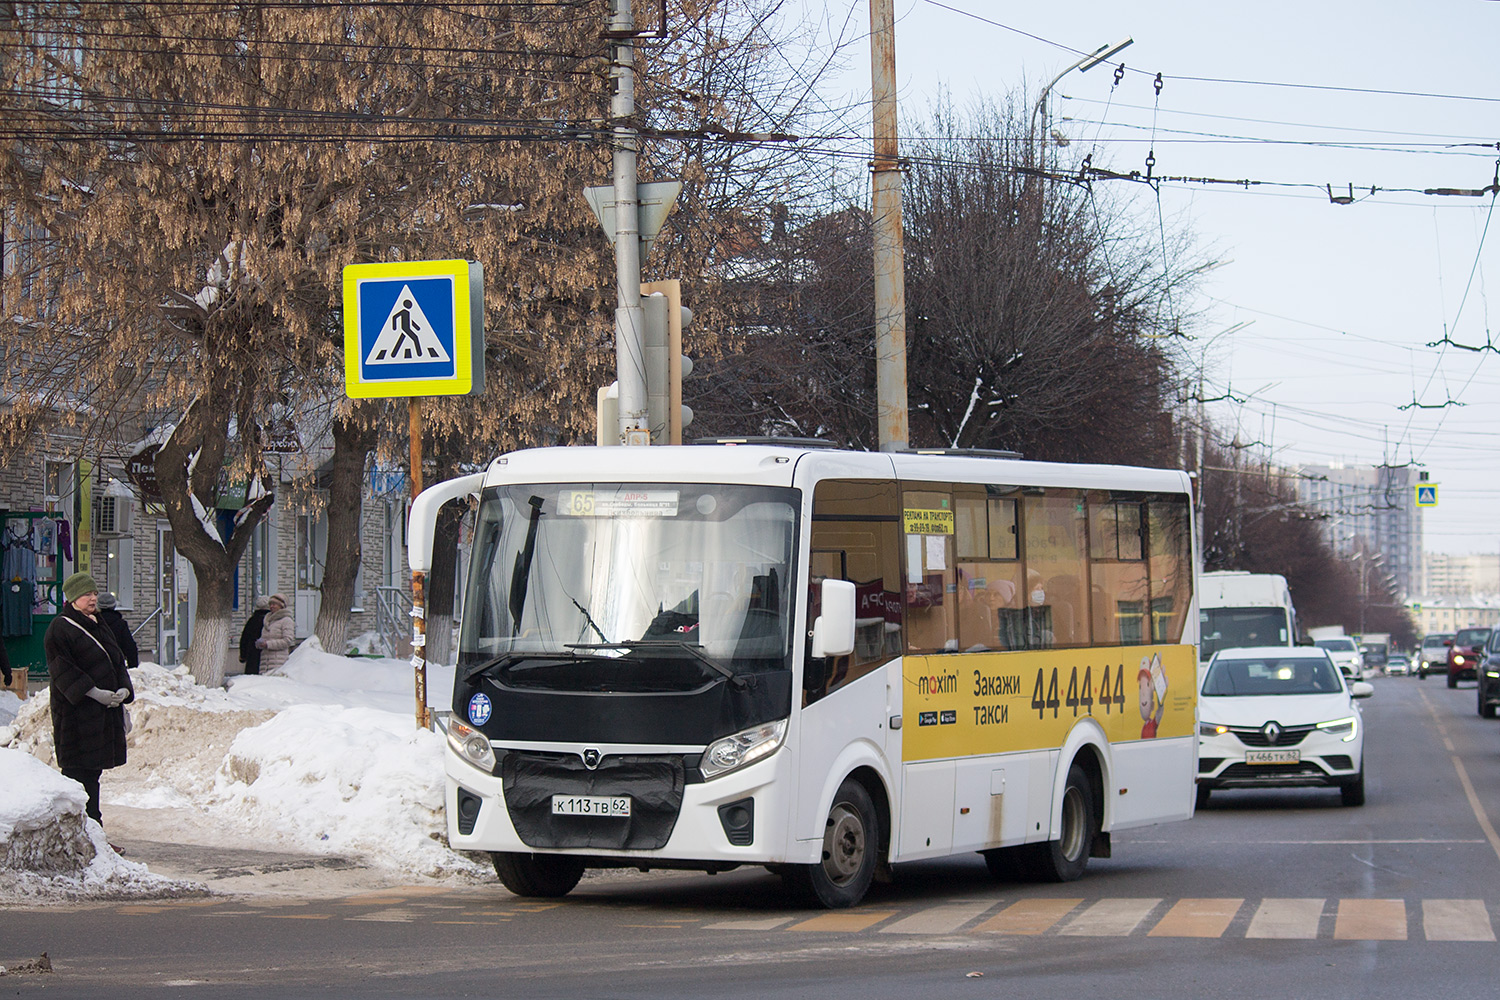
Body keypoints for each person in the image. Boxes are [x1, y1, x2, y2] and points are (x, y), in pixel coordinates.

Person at [43, 571, 133, 830]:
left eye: (94, 593)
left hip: (101, 715)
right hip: (77, 716)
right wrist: (94, 693)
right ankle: (82, 832)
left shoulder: (98, 621)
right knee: (77, 775)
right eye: (86, 594)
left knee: (93, 774)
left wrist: (123, 689)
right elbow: (62, 670)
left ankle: (94, 833)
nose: (93, 598)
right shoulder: (60, 629)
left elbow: (115, 658)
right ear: (73, 598)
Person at [95, 592, 139, 671]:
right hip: (116, 664)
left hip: (96, 665)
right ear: (114, 606)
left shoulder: (93, 623)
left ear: (98, 606)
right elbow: (130, 647)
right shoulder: (120, 624)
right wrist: (133, 667)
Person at [255, 593, 295, 673]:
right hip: (265, 661)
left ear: (281, 605)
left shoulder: (286, 620)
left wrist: (268, 644)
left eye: (274, 604)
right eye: (270, 604)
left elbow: (287, 641)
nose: (271, 606)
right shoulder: (268, 620)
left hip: (278, 661)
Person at [238, 595, 271, 675]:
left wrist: (243, 655)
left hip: (252, 654)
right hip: (268, 656)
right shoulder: (271, 620)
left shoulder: (252, 620)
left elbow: (244, 639)